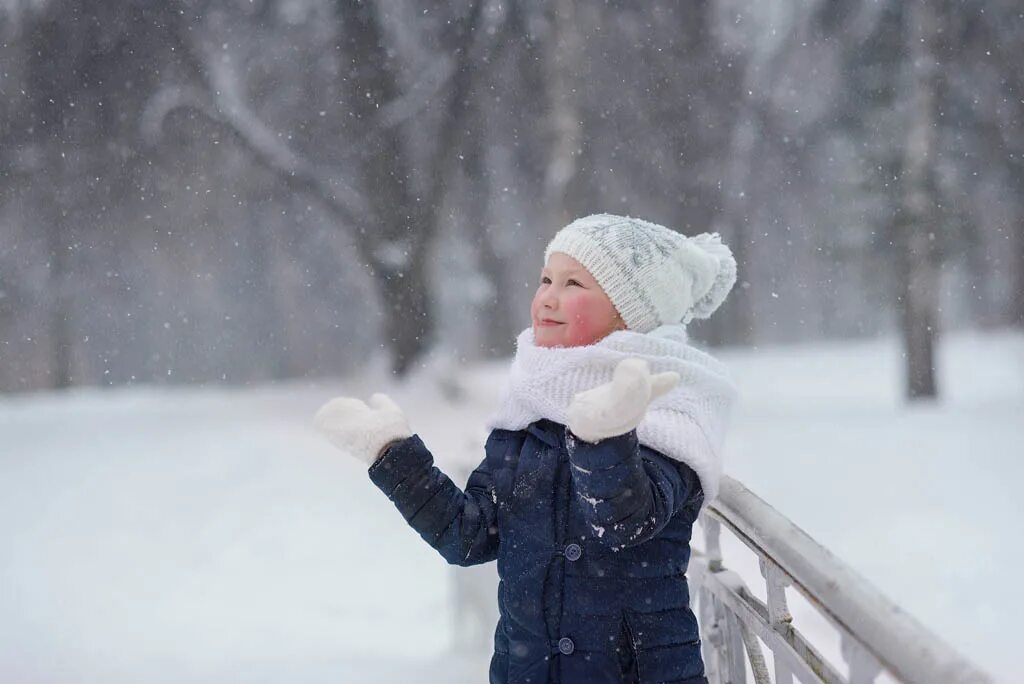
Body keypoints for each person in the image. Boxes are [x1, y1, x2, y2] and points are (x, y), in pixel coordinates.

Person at [315, 213, 738, 684]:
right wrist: (392, 454)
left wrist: (607, 437)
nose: (549, 298)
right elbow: (469, 535)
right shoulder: (529, 412)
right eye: (546, 279)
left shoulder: (667, 409)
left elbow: (625, 523)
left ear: (629, 312)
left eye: (574, 283)